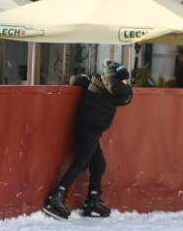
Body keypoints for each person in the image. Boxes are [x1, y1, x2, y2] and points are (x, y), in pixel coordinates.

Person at [43, 60, 133, 220]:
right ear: (118, 78)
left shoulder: (95, 80)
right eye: (125, 79)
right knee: (81, 163)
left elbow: (75, 80)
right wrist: (126, 84)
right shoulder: (116, 88)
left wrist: (84, 79)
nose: (127, 83)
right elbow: (127, 96)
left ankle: (92, 200)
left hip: (87, 128)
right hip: (90, 129)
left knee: (98, 164)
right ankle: (57, 196)